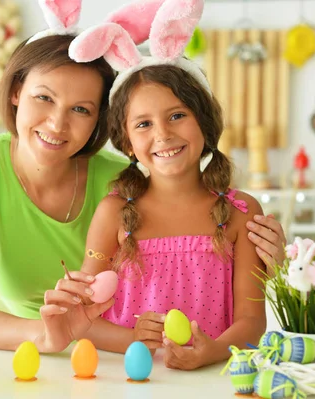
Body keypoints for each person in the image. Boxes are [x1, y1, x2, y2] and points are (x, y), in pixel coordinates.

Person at [0, 0, 286, 353]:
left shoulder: (125, 185)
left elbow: (243, 310)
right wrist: (51, 333)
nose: (57, 123)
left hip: (117, 358)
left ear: (100, 121)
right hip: (32, 351)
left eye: (81, 109)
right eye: (44, 97)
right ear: (15, 92)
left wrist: (278, 271)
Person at [45, 0, 272, 369]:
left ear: (205, 123)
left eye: (177, 116)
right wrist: (132, 338)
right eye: (144, 124)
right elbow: (84, 321)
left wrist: (211, 352)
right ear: (126, 141)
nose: (163, 135)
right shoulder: (114, 213)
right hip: (129, 384)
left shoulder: (241, 214)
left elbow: (252, 322)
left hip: (213, 382)